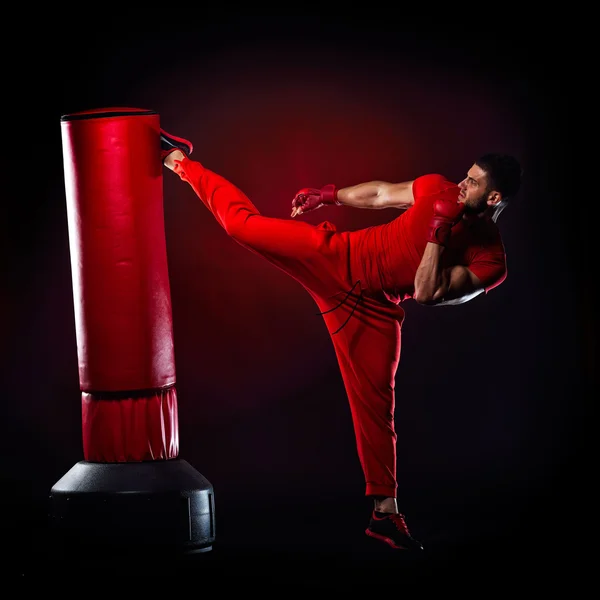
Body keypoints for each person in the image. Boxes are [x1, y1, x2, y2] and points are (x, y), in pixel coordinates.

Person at [159, 128, 522, 552]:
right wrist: (328, 196)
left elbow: (428, 292)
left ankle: (385, 515)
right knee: (242, 226)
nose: (461, 185)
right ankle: (180, 162)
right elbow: (382, 194)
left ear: (493, 199)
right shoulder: (440, 188)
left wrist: (440, 229)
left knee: (376, 407)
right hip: (339, 256)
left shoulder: (490, 261)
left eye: (473, 183)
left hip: (373, 309)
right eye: (466, 175)